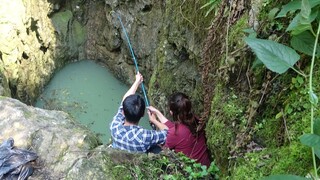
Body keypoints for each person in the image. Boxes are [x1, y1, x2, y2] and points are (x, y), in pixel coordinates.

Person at [110, 72, 168, 153]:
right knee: (157, 148)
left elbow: (124, 100)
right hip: (136, 159)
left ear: (123, 112)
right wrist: (155, 120)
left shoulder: (115, 126)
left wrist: (137, 81)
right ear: (143, 114)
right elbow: (168, 134)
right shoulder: (144, 136)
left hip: (119, 155)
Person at [148, 92, 211, 167]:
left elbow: (165, 151)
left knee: (154, 148)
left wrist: (154, 122)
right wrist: (157, 114)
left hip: (194, 171)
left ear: (171, 113)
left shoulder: (175, 133)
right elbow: (174, 129)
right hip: (207, 165)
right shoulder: (196, 119)